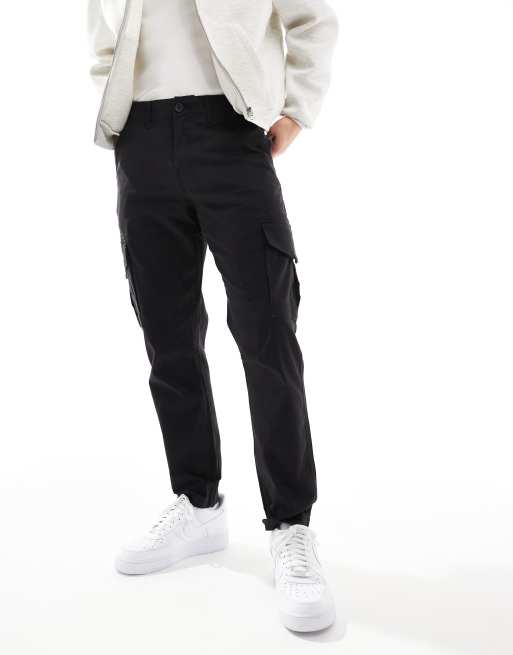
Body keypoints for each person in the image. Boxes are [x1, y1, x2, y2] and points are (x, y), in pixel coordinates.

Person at [87, 0, 338, 633]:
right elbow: (101, 33)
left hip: (231, 131)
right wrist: (116, 111)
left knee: (267, 335)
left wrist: (297, 109)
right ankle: (197, 502)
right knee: (167, 337)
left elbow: (311, 18)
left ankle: (291, 526)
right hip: (141, 141)